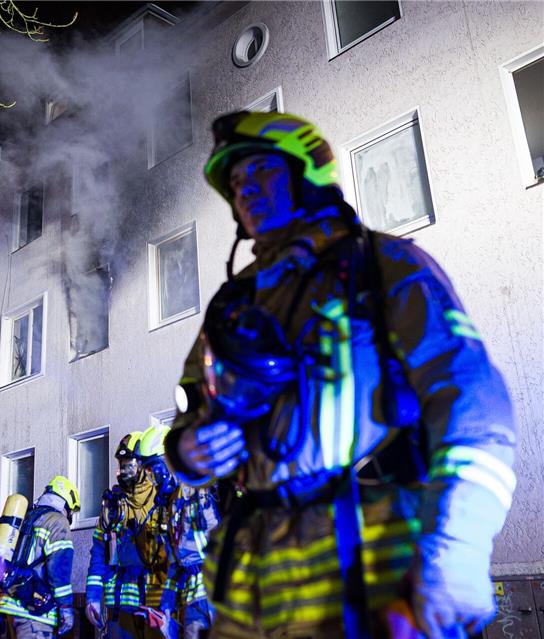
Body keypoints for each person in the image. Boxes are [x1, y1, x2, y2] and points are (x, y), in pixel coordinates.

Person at [163, 111, 516, 639]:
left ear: (308, 175)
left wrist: (459, 547)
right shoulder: (232, 305)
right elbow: (192, 411)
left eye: (261, 172)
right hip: (249, 576)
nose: (245, 191)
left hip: (370, 563)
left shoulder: (383, 264)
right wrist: (187, 452)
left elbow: (472, 405)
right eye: (237, 183)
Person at [87, 432, 175, 639]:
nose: (121, 471)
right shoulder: (113, 505)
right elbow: (99, 554)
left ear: (143, 465)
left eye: (129, 464)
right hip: (121, 608)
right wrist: (92, 596)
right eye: (121, 465)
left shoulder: (163, 498)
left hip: (156, 604)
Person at [138, 426, 218, 639]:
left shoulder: (205, 485)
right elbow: (176, 564)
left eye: (152, 469)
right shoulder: (172, 506)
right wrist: (165, 605)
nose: (152, 478)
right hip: (194, 600)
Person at [0, 476, 79, 639]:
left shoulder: (26, 517)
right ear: (66, 502)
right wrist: (66, 606)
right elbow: (59, 570)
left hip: (6, 607)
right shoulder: (57, 522)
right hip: (33, 613)